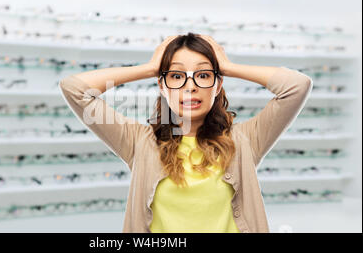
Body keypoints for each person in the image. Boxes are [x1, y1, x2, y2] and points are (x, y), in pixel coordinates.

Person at [59, 32, 313, 233]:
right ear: (162, 85)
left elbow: (297, 86)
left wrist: (226, 65)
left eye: (203, 75)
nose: (190, 87)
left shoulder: (245, 139)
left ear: (218, 83)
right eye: (177, 76)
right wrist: (149, 68)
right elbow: (75, 89)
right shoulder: (138, 141)